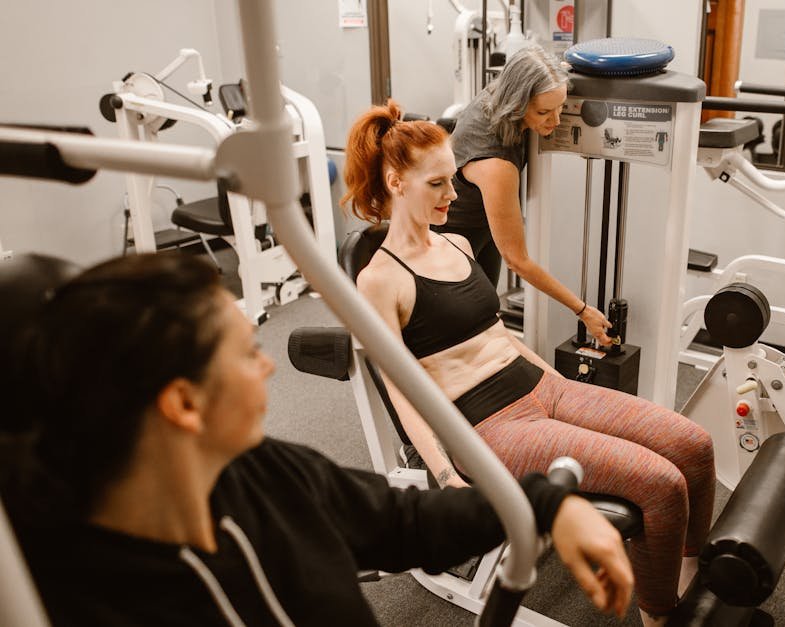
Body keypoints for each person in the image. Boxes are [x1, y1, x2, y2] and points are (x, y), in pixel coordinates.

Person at [0, 252, 633, 626]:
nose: (268, 365)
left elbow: (405, 519)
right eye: (249, 354)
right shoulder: (59, 591)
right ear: (184, 404)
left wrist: (549, 505)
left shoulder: (263, 474)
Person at [345, 101, 716, 626]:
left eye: (454, 180)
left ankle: (692, 579)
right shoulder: (380, 279)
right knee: (661, 482)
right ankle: (660, 616)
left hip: (543, 388)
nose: (454, 194)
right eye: (438, 184)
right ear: (396, 182)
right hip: (489, 425)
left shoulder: (456, 244)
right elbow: (400, 388)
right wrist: (447, 475)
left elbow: (497, 333)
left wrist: (562, 388)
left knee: (693, 446)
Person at [433, 44, 613, 346]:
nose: (555, 121)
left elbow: (547, 71)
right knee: (456, 334)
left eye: (560, 107)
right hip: (447, 238)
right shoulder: (495, 164)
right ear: (517, 103)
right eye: (544, 112)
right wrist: (582, 311)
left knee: (485, 314)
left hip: (482, 228)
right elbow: (518, 260)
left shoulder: (505, 88)